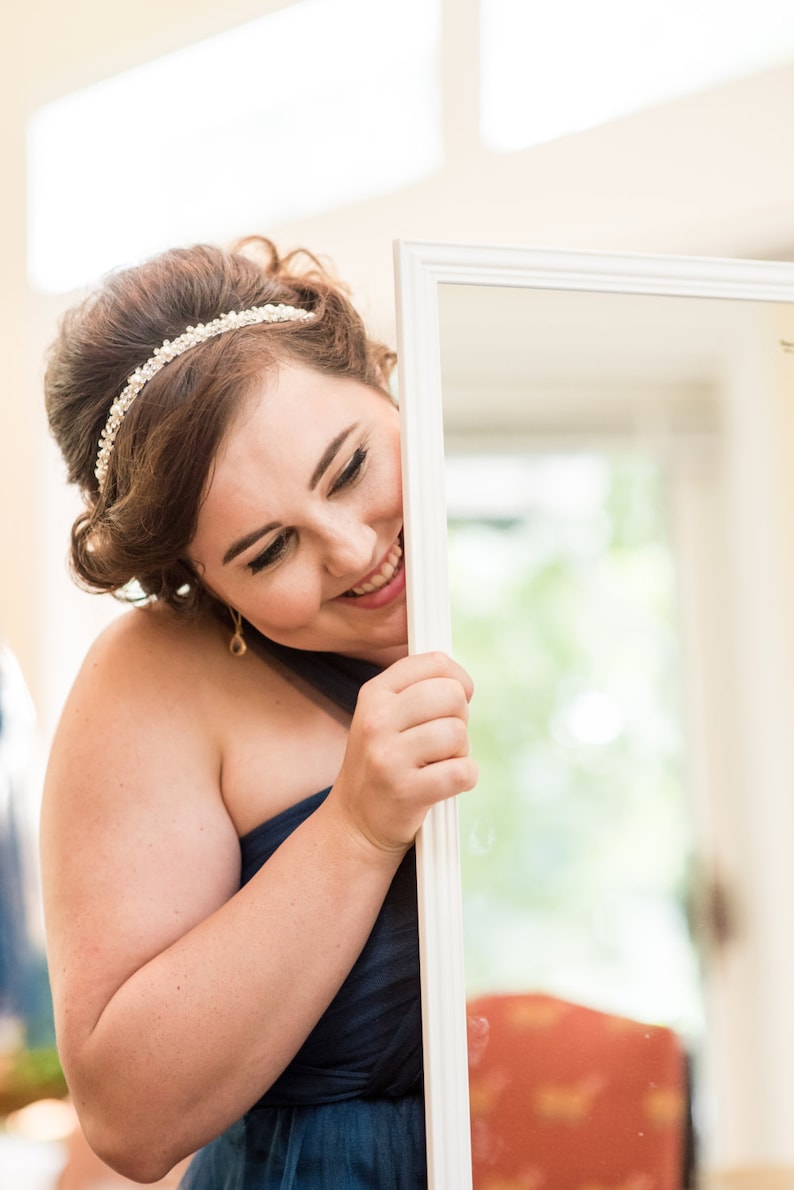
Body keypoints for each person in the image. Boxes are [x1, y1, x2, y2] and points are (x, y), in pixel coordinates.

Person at [39, 237, 477, 1189]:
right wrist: (357, 828)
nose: (357, 550)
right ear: (195, 579)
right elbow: (127, 1117)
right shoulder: (155, 674)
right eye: (269, 550)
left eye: (352, 465)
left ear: (376, 374)